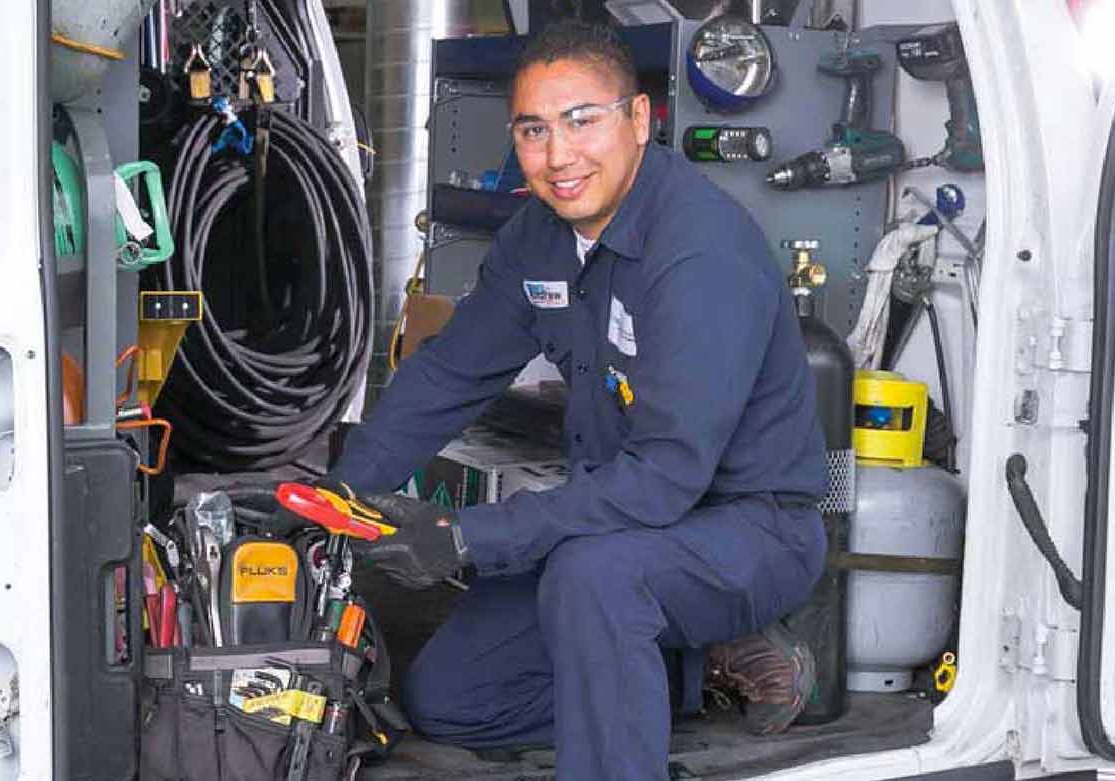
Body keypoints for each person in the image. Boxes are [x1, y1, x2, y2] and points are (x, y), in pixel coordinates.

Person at [328, 20, 829, 781]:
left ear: (638, 120)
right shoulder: (540, 236)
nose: (558, 156)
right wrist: (340, 490)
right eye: (534, 130)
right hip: (616, 521)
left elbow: (664, 478)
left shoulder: (699, 253)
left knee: (593, 578)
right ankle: (697, 672)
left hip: (748, 531)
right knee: (451, 696)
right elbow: (449, 374)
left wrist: (468, 537)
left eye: (581, 121)